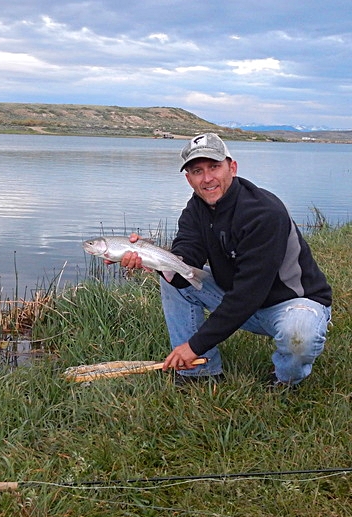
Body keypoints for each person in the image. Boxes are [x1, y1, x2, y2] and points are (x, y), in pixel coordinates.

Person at [120, 132, 332, 388]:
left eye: (214, 167)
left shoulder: (264, 212)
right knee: (174, 282)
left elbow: (248, 293)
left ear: (232, 167)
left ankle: (285, 380)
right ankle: (201, 373)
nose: (207, 178)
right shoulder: (195, 209)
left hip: (291, 305)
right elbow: (187, 260)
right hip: (241, 300)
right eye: (197, 171)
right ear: (188, 179)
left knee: (299, 334)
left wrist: (194, 345)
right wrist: (152, 258)